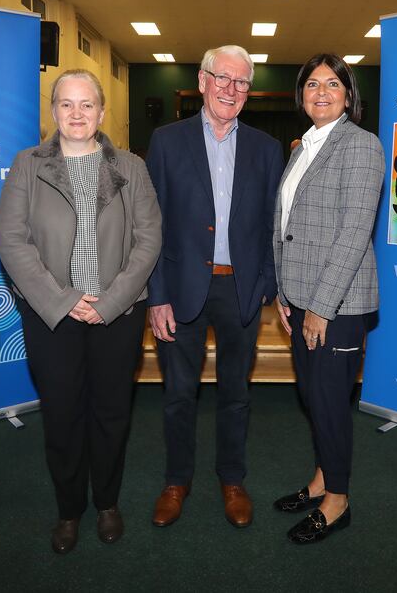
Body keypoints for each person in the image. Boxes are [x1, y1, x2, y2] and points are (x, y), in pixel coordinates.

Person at [0, 69, 161, 554]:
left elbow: (149, 240)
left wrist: (109, 302)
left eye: (86, 104)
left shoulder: (130, 166)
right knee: (63, 415)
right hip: (52, 317)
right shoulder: (27, 164)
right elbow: (12, 240)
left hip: (118, 315)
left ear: (103, 112)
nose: (76, 114)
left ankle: (107, 503)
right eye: (66, 104)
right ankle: (69, 510)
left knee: (111, 414)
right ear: (52, 112)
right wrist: (64, 301)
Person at [146, 45, 284, 528]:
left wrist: (266, 281)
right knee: (179, 395)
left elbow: (273, 222)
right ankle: (176, 481)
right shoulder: (166, 141)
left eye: (241, 82)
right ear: (202, 81)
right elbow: (152, 223)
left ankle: (232, 479)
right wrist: (157, 294)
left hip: (240, 291)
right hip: (181, 288)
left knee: (236, 394)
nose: (231, 89)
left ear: (249, 91)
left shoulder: (266, 149)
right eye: (222, 78)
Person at [272, 54, 384, 544]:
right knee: (311, 397)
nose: (321, 91)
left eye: (332, 83)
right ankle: (321, 479)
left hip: (337, 305)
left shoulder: (362, 146)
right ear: (301, 94)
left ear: (348, 94)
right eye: (312, 84)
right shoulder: (303, 148)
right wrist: (284, 292)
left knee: (330, 402)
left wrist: (320, 306)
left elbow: (354, 232)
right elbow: (288, 227)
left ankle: (338, 501)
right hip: (298, 298)